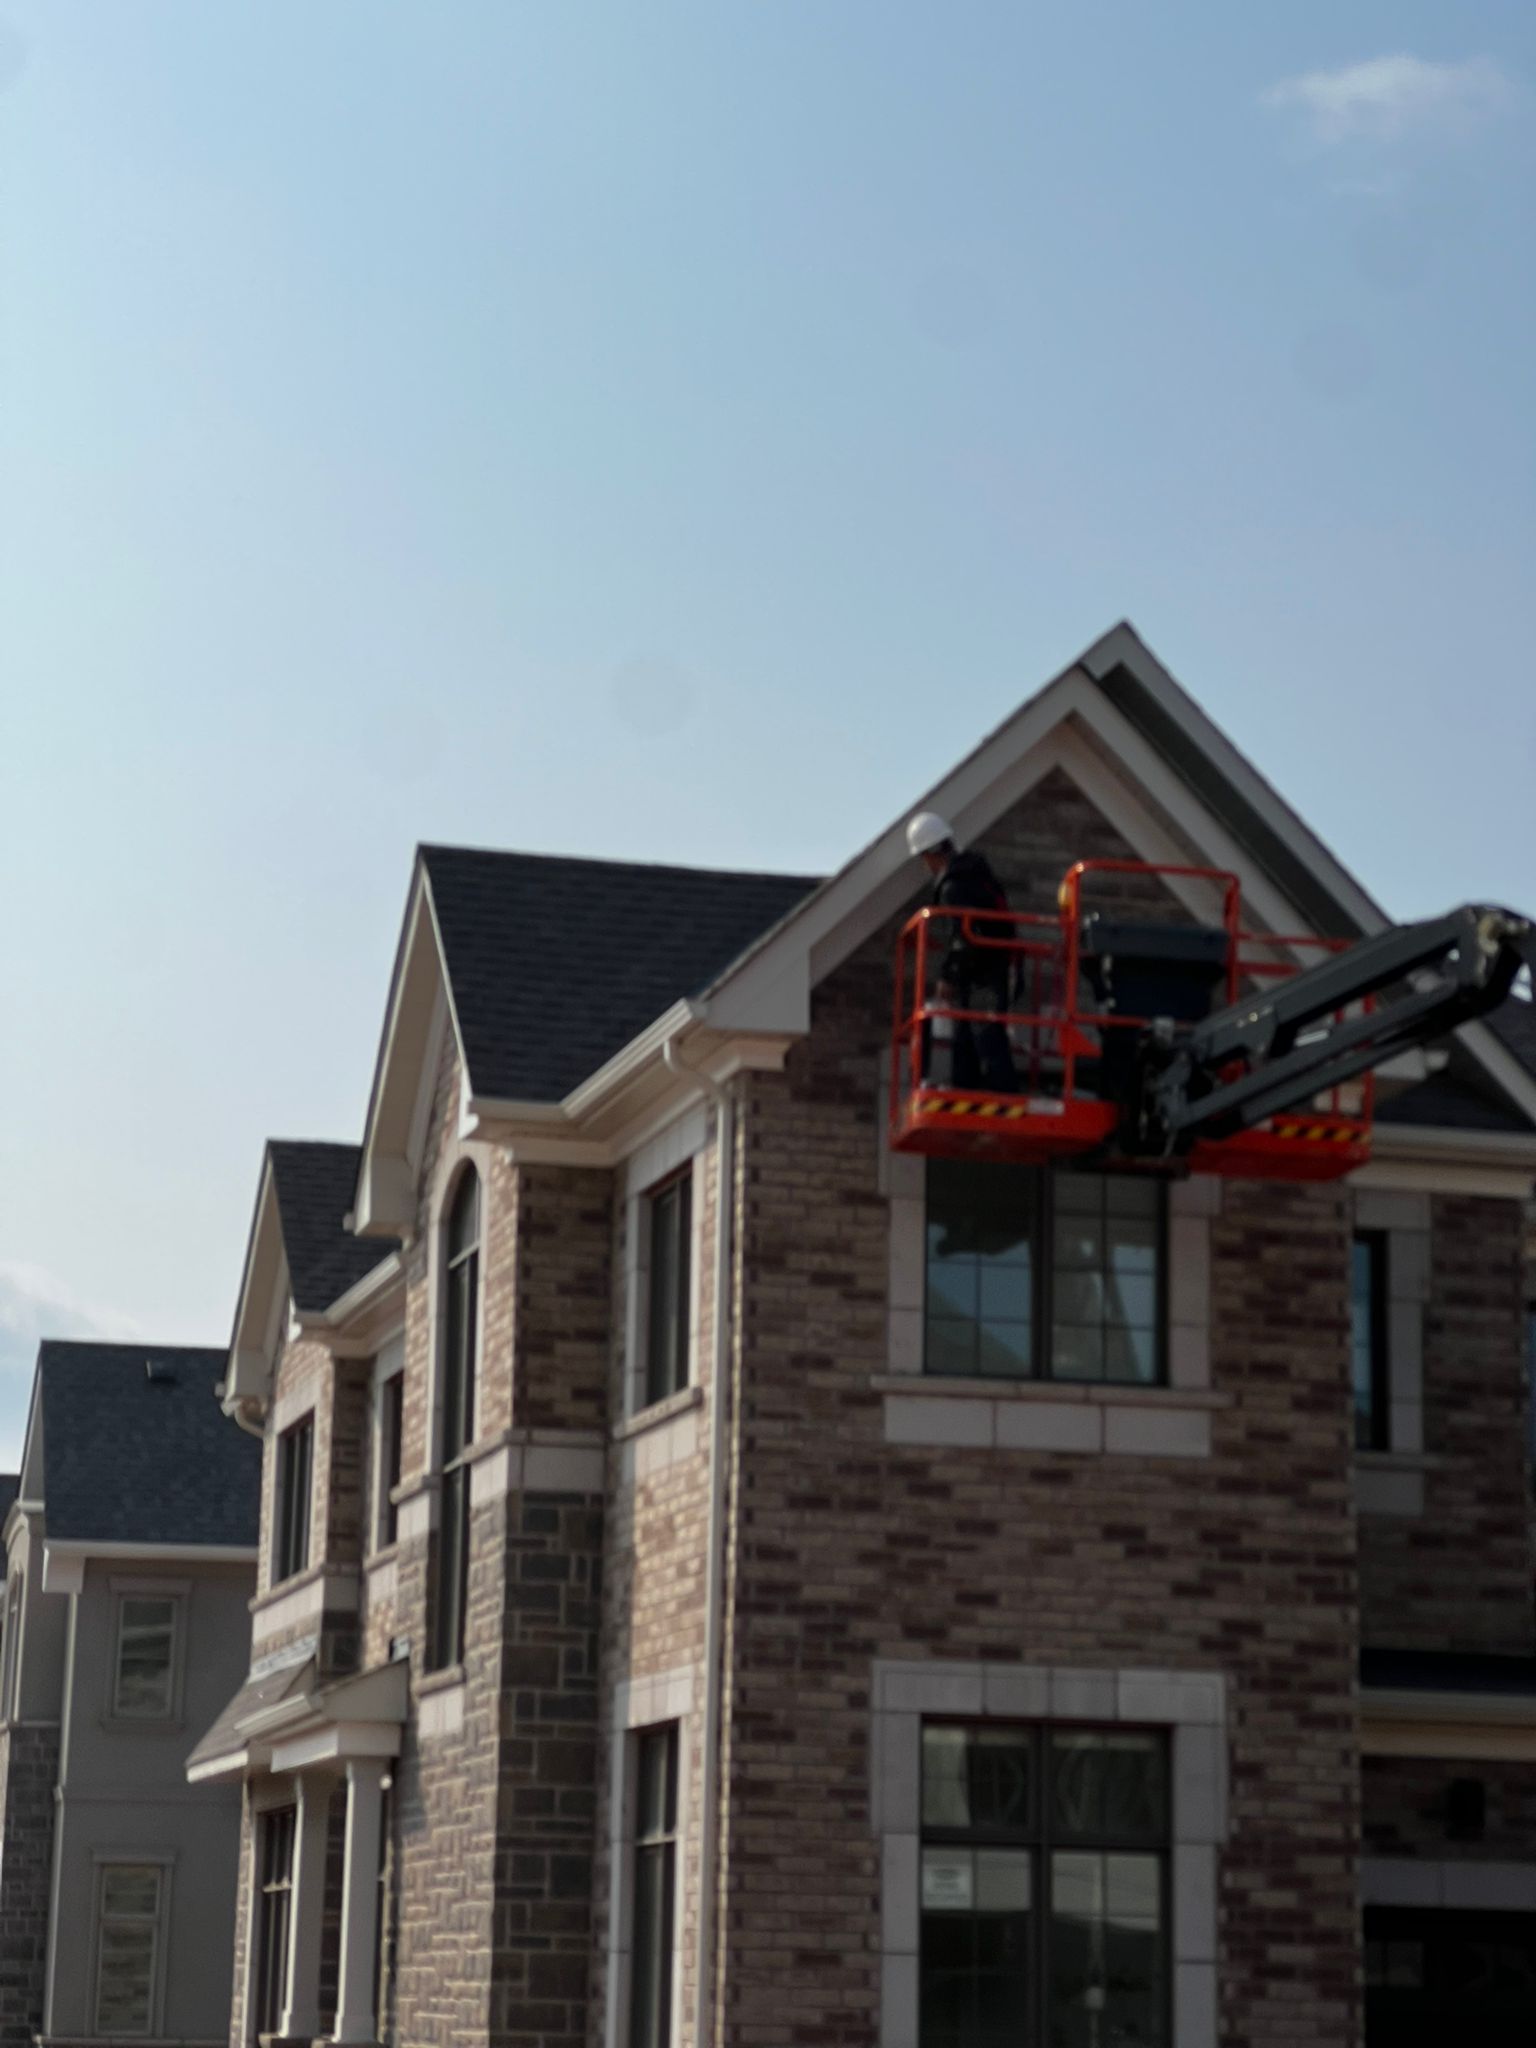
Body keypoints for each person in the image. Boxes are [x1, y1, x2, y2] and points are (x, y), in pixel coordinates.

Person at [906, 811, 1017, 1090]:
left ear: (930, 854)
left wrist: (948, 976)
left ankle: (999, 1093)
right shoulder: (977, 876)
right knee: (966, 1034)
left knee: (984, 1035)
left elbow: (964, 937)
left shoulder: (955, 886)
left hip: (982, 974)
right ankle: (966, 1087)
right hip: (989, 968)